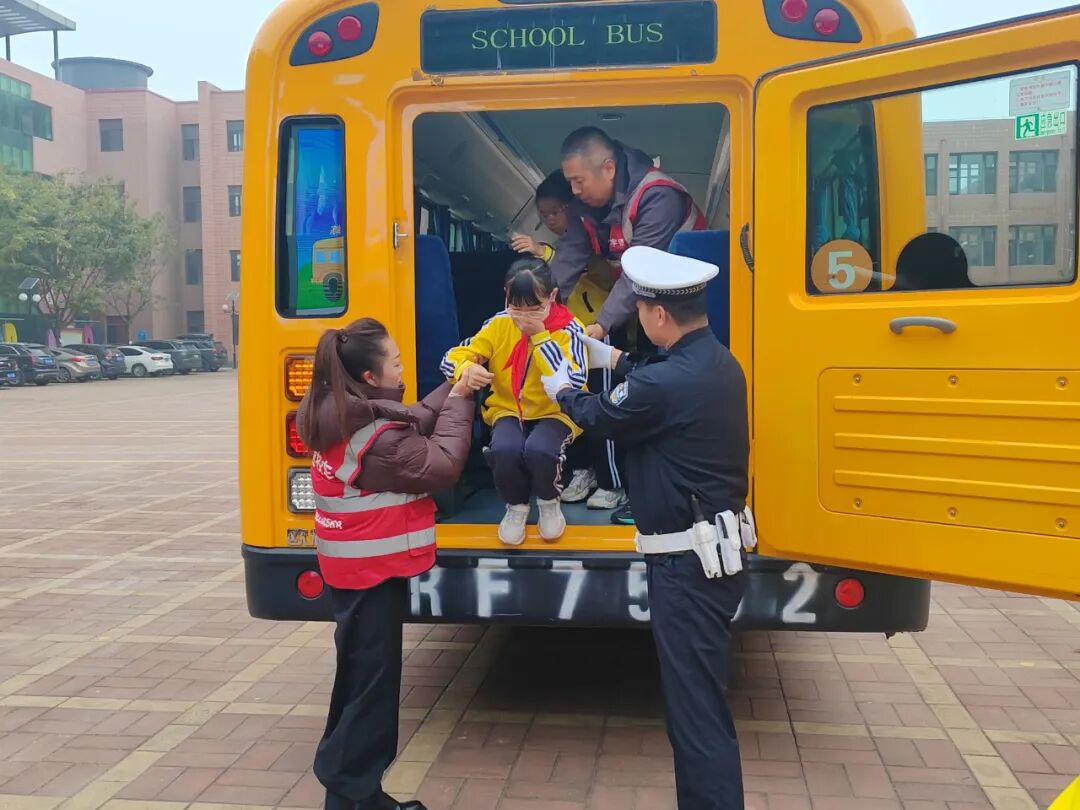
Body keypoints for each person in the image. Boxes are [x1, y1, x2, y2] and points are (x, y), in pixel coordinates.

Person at [542, 246, 751, 810]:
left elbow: (602, 415)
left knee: (696, 717)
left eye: (642, 313)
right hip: (711, 557)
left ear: (658, 316)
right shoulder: (716, 361)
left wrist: (562, 389)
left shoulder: (665, 384)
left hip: (686, 569)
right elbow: (657, 379)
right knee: (698, 705)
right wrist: (612, 357)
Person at [297, 318, 478, 810]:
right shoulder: (375, 436)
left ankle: (356, 792)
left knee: (359, 677)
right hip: (372, 573)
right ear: (371, 378)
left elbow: (412, 415)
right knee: (371, 688)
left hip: (354, 572)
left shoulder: (341, 409)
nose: (402, 369)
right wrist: (462, 401)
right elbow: (442, 463)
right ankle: (350, 790)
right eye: (396, 363)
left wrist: (455, 383)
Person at [551, 126, 707, 524]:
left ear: (607, 168)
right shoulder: (587, 205)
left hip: (687, 310)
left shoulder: (658, 196)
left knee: (669, 394)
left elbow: (637, 271)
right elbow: (568, 257)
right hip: (646, 308)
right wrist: (542, 307)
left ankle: (665, 487)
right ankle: (618, 476)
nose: (574, 191)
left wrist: (600, 326)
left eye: (578, 181)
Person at [440, 257, 587, 545]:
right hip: (508, 406)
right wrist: (466, 369)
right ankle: (516, 506)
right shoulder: (498, 324)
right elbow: (452, 357)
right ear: (506, 296)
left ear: (552, 297)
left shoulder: (571, 329)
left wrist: (540, 337)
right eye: (516, 308)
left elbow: (575, 378)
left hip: (556, 409)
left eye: (534, 309)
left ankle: (548, 501)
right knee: (505, 449)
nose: (523, 318)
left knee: (540, 450)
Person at [512, 171, 626, 511]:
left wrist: (543, 253)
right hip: (562, 338)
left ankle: (612, 482)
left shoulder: (595, 241)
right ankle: (583, 470)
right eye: (543, 215)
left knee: (603, 407)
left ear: (574, 207)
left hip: (595, 331)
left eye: (555, 212)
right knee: (566, 405)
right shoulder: (556, 251)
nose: (550, 220)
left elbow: (600, 272)